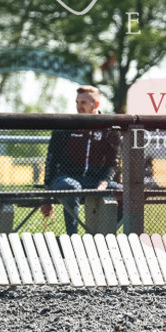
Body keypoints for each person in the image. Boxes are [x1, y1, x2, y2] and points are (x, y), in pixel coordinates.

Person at [41, 85, 122, 235]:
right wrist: (46, 197)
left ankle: (104, 235)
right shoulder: (65, 126)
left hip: (95, 181)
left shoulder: (110, 129)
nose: (79, 106)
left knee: (125, 193)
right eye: (77, 102)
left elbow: (113, 162)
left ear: (96, 104)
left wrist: (104, 183)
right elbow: (51, 160)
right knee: (72, 187)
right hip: (64, 179)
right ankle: (73, 238)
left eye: (83, 103)